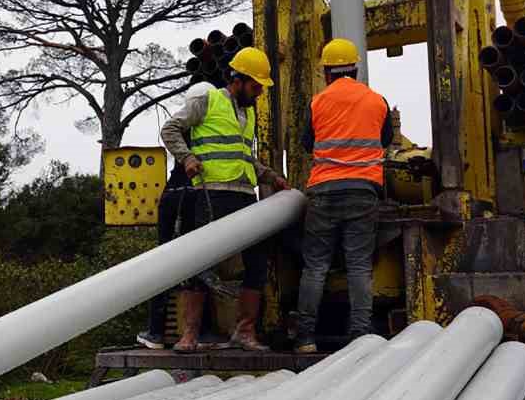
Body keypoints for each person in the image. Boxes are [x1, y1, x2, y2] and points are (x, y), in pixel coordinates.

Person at [160, 46, 291, 352]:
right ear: (239, 79)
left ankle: (244, 333)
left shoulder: (250, 113)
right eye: (256, 86)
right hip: (211, 195)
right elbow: (170, 129)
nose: (259, 92)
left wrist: (271, 177)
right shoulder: (208, 101)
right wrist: (187, 157)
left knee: (257, 263)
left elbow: (243, 156)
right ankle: (189, 334)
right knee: (200, 262)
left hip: (244, 196)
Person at [292, 38, 393, 353]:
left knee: (316, 265)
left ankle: (306, 337)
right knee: (359, 264)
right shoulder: (377, 101)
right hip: (363, 190)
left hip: (323, 191)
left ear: (326, 71)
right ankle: (360, 333)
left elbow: (308, 144)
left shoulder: (317, 102)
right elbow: (385, 139)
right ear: (356, 68)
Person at [136, 67, 225, 350]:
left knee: (167, 263)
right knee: (199, 262)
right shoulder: (207, 122)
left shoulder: (187, 122)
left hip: (175, 194)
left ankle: (156, 331)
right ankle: (203, 330)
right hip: (194, 195)